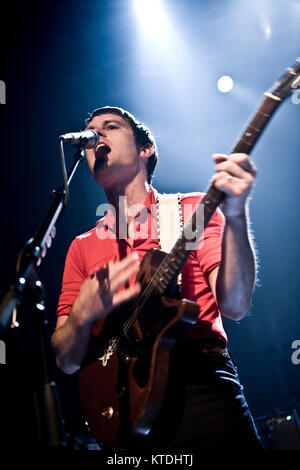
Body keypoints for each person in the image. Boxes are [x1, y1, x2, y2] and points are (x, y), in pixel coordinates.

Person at [51, 106, 263, 452]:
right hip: (124, 413)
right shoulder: (81, 248)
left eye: (110, 126)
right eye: (90, 132)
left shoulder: (191, 211)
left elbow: (236, 306)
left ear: (144, 149)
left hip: (201, 391)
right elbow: (66, 360)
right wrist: (81, 316)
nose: (96, 136)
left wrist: (236, 215)